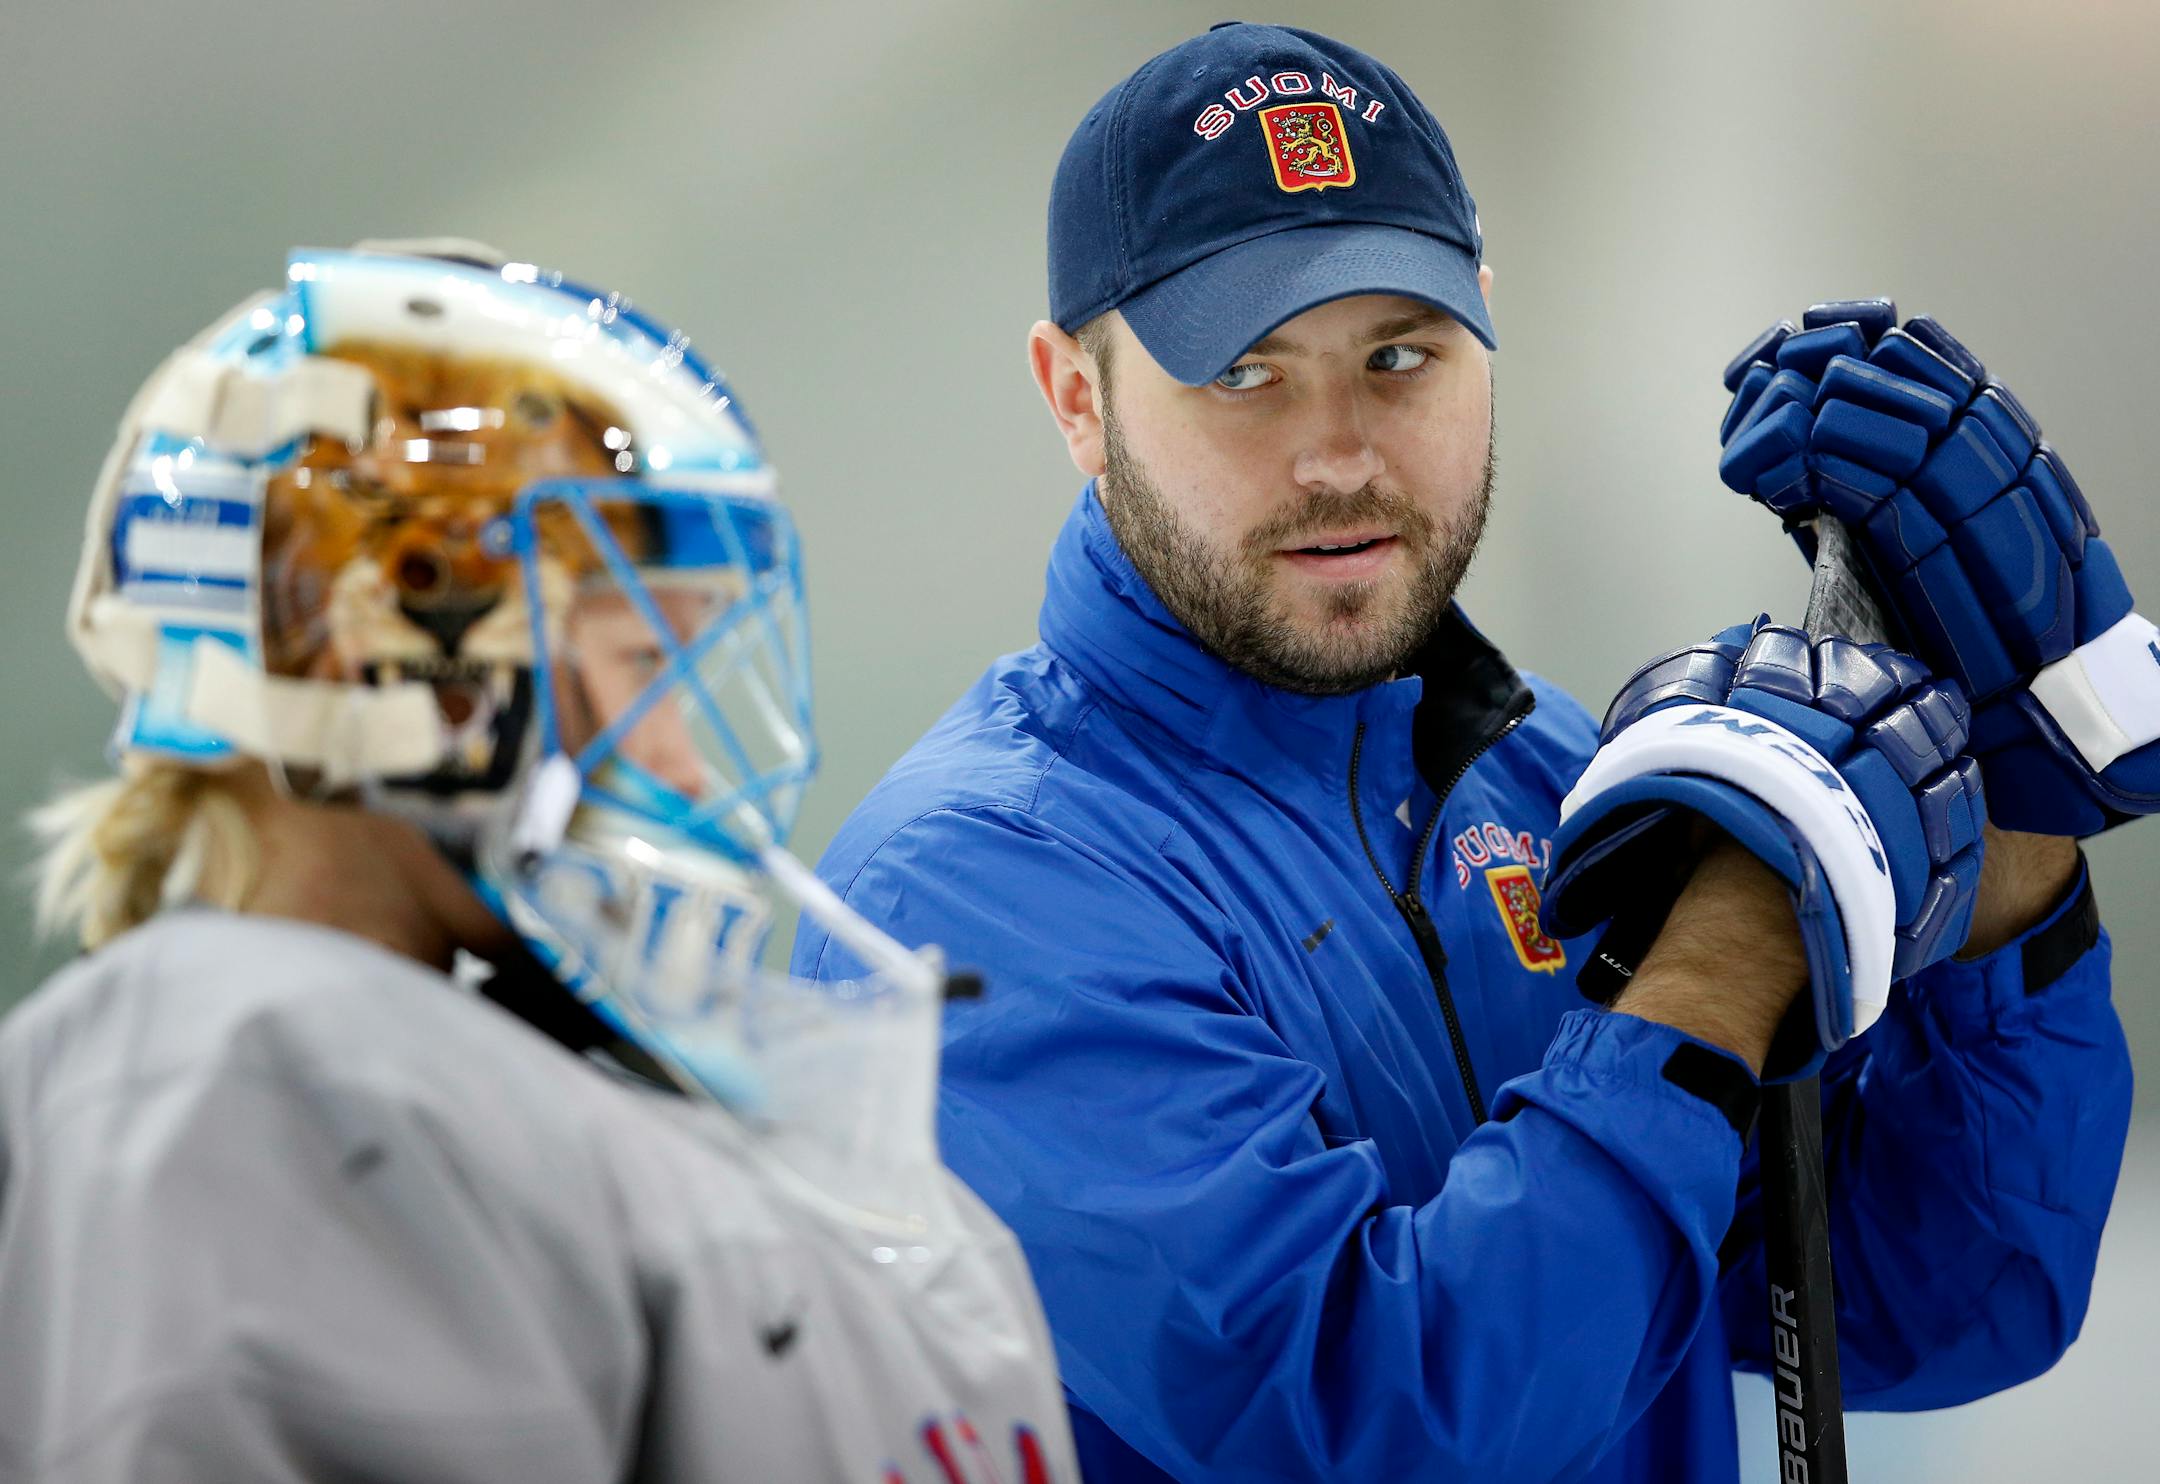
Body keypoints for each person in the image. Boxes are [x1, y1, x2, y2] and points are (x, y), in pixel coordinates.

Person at [791, 23, 2140, 1483]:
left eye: (1398, 354)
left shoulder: (1544, 776)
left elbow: (1930, 1306)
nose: (1342, 454)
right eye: (1247, 373)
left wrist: (2003, 800)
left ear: (1486, 332)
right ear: (1075, 397)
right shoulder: (964, 898)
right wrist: (1739, 933)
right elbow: (1380, 1423)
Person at [1, 241, 1077, 1483]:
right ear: (374, 635)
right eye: (639, 662)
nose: (680, 760)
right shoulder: (276, 1069)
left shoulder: (534, 1088)